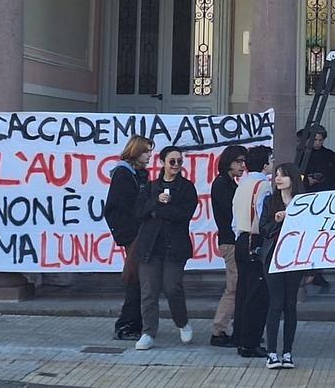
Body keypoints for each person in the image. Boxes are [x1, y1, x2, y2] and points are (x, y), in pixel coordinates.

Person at [132, 146, 198, 351]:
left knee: (172, 287)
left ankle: (182, 322)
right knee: (148, 291)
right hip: (150, 247)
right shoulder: (150, 187)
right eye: (172, 161)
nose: (176, 165)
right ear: (162, 163)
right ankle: (148, 332)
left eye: (179, 161)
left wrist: (162, 209)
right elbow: (138, 212)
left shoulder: (187, 188)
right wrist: (155, 203)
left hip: (174, 247)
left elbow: (184, 214)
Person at [102, 135, 152, 341]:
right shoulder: (124, 175)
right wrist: (131, 234)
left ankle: (134, 323)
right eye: (146, 151)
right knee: (135, 278)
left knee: (140, 279)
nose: (149, 155)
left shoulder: (137, 174)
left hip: (139, 233)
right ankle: (126, 324)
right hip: (135, 234)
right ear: (135, 151)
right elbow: (118, 208)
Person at [259, 162, 307, 369]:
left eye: (283, 175)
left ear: (293, 179)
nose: (278, 179)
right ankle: (271, 353)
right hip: (273, 257)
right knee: (275, 304)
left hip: (296, 258)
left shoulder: (304, 202)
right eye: (276, 175)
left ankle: (287, 352)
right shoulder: (270, 202)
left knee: (290, 306)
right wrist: (278, 221)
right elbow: (263, 229)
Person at [230, 144, 273, 358]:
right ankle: (250, 342)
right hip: (254, 240)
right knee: (257, 294)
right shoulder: (263, 185)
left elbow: (235, 215)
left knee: (243, 290)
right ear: (265, 164)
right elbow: (261, 214)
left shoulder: (243, 182)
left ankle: (240, 335)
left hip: (241, 238)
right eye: (270, 159)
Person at [296, 124, 335, 291]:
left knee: (321, 239)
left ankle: (316, 271)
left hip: (326, 202)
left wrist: (334, 193)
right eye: (314, 139)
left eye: (320, 140)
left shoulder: (330, 156)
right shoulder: (300, 155)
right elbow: (292, 177)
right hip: (305, 202)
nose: (317, 143)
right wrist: (306, 181)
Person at [209, 144, 247, 348]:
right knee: (233, 287)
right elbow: (231, 213)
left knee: (236, 286)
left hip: (233, 240)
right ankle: (219, 330)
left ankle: (228, 328)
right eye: (238, 161)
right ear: (228, 162)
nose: (242, 166)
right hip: (230, 241)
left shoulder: (231, 183)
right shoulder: (222, 185)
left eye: (244, 162)